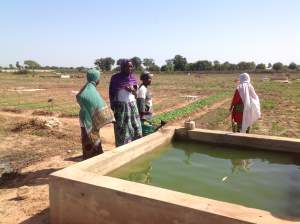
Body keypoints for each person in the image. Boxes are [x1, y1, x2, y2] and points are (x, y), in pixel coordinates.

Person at [76, 68, 115, 159]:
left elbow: (79, 98)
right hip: (88, 120)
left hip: (85, 118)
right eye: (99, 78)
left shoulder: (87, 88)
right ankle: (93, 159)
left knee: (88, 139)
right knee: (91, 139)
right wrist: (110, 117)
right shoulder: (90, 90)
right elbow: (98, 104)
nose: (99, 80)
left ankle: (89, 157)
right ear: (96, 79)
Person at [109, 59, 142, 146]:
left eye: (131, 66)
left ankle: (135, 147)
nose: (129, 68)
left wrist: (132, 90)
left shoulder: (132, 78)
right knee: (123, 130)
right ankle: (123, 149)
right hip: (121, 108)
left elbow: (136, 94)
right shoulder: (115, 78)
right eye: (127, 66)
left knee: (136, 128)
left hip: (133, 107)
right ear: (122, 67)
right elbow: (112, 94)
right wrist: (112, 108)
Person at [137, 71, 166, 136]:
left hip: (147, 116)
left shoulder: (144, 88)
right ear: (144, 79)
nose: (151, 80)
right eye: (149, 78)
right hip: (144, 117)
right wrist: (143, 116)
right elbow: (141, 103)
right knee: (146, 133)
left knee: (148, 131)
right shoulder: (142, 89)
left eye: (151, 78)